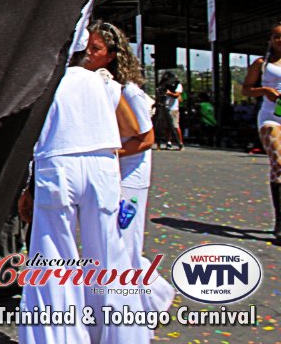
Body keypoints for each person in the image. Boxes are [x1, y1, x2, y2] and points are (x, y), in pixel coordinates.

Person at [19, 52, 146, 344]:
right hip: (102, 164)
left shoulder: (42, 81)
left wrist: (28, 189)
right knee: (108, 256)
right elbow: (131, 130)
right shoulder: (103, 83)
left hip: (58, 164)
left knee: (52, 257)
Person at [83, 21, 155, 263]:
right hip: (113, 172)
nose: (88, 54)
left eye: (95, 49)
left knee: (126, 241)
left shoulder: (129, 91)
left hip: (131, 175)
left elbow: (147, 139)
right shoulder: (95, 84)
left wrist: (110, 153)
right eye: (87, 48)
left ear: (111, 55)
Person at [242, 22, 281, 240]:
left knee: (279, 171)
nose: (279, 40)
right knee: (279, 162)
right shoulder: (262, 64)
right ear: (270, 40)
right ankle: (280, 224)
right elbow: (246, 90)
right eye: (276, 36)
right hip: (270, 118)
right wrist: (264, 90)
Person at [160, 70, 184, 149]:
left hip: (173, 108)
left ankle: (180, 142)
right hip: (165, 107)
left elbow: (177, 95)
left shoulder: (177, 85)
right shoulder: (164, 85)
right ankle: (168, 142)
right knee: (166, 127)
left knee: (175, 126)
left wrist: (169, 93)